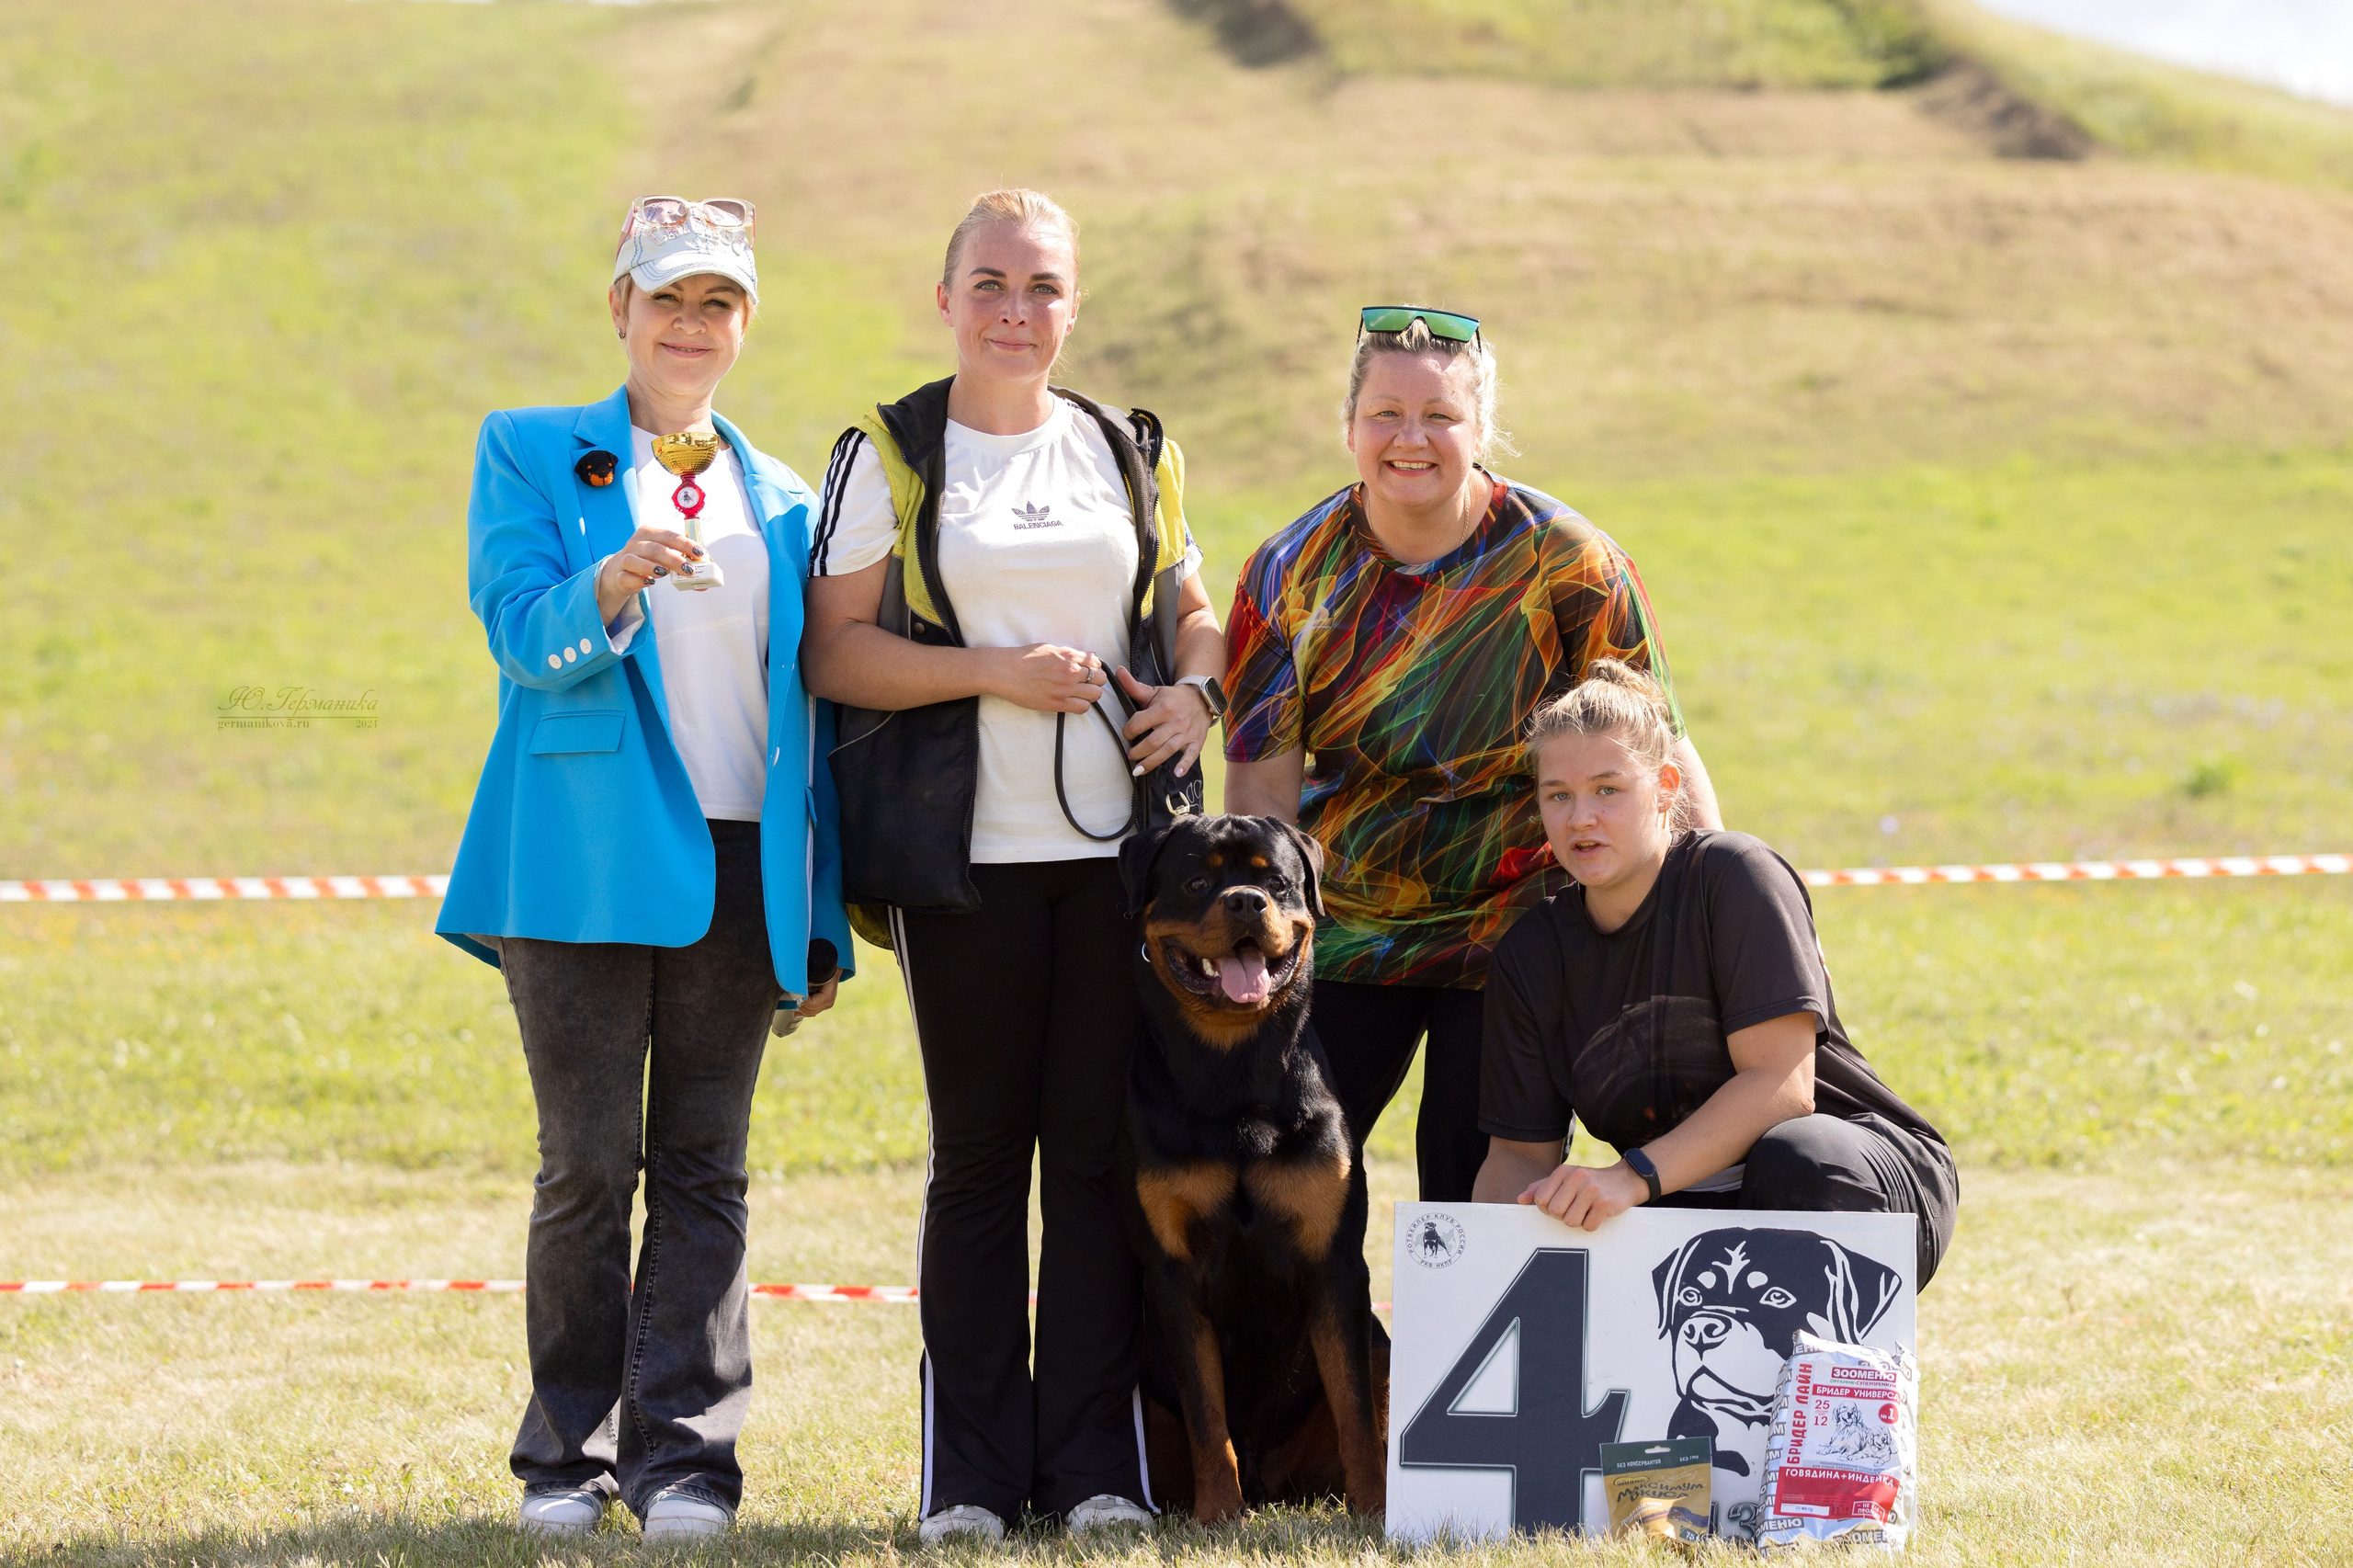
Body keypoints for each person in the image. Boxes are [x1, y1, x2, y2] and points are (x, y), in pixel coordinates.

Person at [802, 188, 1226, 1542]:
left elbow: (1193, 610)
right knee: (981, 1162)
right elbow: (834, 651)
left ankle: (1099, 1467)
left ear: (1073, 306)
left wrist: (1201, 692)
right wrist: (994, 671)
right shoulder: (886, 449)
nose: (1014, 309)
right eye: (989, 282)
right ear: (946, 299)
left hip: (1123, 867)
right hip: (966, 866)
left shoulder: (1126, 443)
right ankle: (971, 1478)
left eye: (1042, 286)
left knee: (1098, 1160)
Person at [436, 196, 853, 1539]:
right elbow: (513, 627)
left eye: (717, 302)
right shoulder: (529, 453)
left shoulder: (787, 494)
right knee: (586, 1165)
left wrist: (818, 915)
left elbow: (810, 721)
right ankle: (566, 1456)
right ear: (619, 308)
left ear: (744, 325)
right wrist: (609, 584)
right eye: (667, 297)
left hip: (746, 869)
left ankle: (687, 1463)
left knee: (706, 1169)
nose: (691, 324)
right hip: (578, 864)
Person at [1222, 307, 1722, 1203]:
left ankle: (1454, 1350)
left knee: (1476, 1186)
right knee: (1280, 1179)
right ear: (1348, 426)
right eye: (1385, 414)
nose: (1410, 438)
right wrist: (1259, 949)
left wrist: (1715, 911)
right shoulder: (1286, 571)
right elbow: (1262, 780)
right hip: (1344, 928)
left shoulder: (1568, 560)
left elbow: (1655, 742)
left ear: (1481, 431)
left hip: (1518, 928)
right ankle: (1324, 1349)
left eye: (1440, 416)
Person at [1473, 662, 1958, 1287]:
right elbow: (1516, 1157)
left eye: (1607, 789)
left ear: (1667, 787)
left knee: (1798, 1156)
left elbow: (1782, 1088)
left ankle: (1841, 1381)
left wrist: (1629, 1179)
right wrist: (1489, 1269)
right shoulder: (1531, 953)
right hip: (1689, 1204)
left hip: (1857, 1176)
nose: (1580, 819)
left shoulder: (1733, 876)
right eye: (1558, 795)